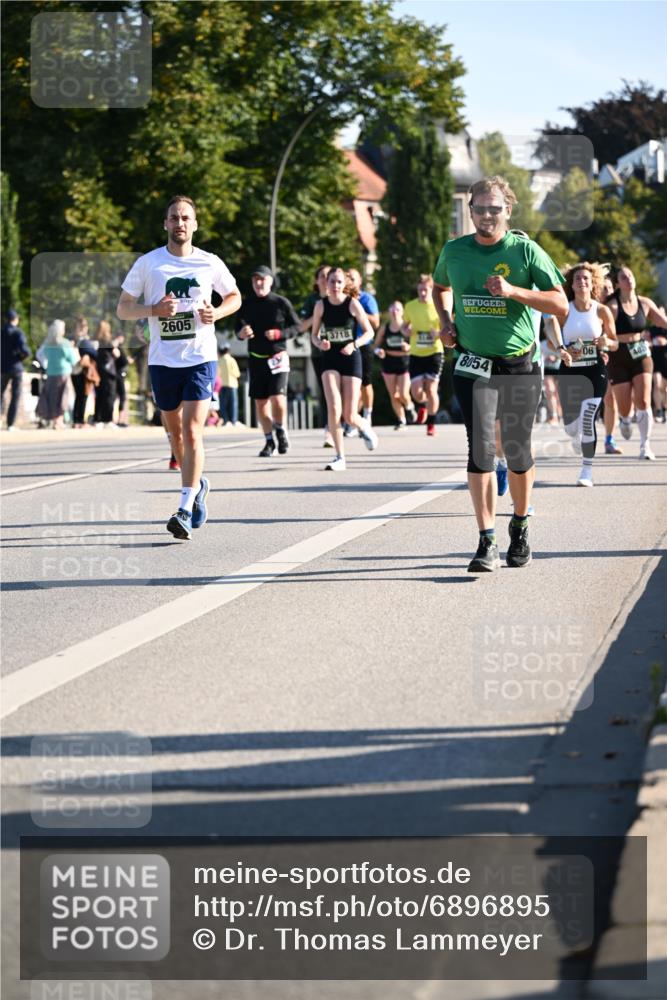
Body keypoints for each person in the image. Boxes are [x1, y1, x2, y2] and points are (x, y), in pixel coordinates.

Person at [433, 174, 568, 572]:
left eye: (495, 208)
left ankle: (521, 525)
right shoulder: (454, 251)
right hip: (472, 362)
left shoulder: (525, 251)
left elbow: (559, 304)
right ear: (470, 210)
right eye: (480, 208)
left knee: (517, 449)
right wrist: (446, 320)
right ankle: (485, 540)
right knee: (480, 449)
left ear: (508, 210)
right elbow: (441, 285)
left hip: (518, 363)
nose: (487, 215)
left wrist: (514, 292)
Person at [117, 194, 241, 540]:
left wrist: (217, 312)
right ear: (166, 224)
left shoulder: (209, 263)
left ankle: (184, 509)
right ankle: (198, 485)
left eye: (186, 217)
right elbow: (124, 308)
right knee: (174, 436)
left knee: (191, 432)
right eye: (174, 218)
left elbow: (235, 296)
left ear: (195, 224)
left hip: (199, 357)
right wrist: (153, 310)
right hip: (162, 361)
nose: (180, 223)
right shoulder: (148, 263)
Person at [548, 262, 617, 487]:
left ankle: (586, 470)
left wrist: (607, 342)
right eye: (578, 278)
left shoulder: (602, 310)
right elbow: (550, 333)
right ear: (572, 284)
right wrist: (561, 349)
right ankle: (575, 431)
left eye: (586, 278)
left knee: (588, 417)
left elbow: (614, 343)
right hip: (569, 370)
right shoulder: (565, 310)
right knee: (570, 427)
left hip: (595, 368)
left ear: (592, 282)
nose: (582, 282)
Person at [311, 267, 379, 471]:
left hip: (351, 357)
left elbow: (369, 332)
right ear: (326, 284)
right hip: (330, 359)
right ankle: (340, 457)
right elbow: (314, 335)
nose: (335, 286)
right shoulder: (320, 306)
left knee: (349, 415)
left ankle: (363, 426)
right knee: (334, 408)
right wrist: (319, 343)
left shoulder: (353, 304)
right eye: (332, 281)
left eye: (339, 282)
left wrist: (355, 344)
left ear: (344, 285)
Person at [235, 265, 301, 456]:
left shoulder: (281, 303)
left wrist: (280, 333)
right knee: (261, 405)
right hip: (256, 359)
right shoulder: (246, 304)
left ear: (270, 281)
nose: (258, 283)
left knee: (278, 400)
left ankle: (280, 430)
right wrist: (241, 333)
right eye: (255, 280)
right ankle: (269, 441)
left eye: (262, 279)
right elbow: (237, 328)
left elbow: (297, 326)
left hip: (278, 357)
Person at [606, 265, 667, 461]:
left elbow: (663, 321)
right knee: (624, 407)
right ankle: (624, 420)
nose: (629, 279)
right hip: (618, 355)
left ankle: (645, 445)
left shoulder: (645, 303)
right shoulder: (612, 307)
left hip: (641, 353)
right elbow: (600, 329)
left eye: (630, 276)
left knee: (643, 400)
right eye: (623, 277)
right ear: (618, 283)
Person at [403, 275, 444, 437]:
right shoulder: (410, 306)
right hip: (416, 353)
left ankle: (431, 423)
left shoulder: (438, 306)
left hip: (434, 352)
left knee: (432, 389)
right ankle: (422, 405)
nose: (423, 293)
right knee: (417, 392)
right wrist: (406, 331)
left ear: (431, 290)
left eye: (426, 290)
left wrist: (439, 333)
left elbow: (448, 328)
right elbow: (403, 327)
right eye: (420, 290)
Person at [299, 265, 333, 446]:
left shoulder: (339, 299)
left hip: (340, 351)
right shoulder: (311, 301)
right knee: (326, 392)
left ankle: (346, 422)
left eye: (329, 275)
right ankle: (329, 429)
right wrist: (317, 315)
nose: (326, 279)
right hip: (319, 352)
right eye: (322, 276)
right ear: (317, 280)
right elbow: (301, 327)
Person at [346, 268, 380, 428]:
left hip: (364, 344)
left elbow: (376, 322)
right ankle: (353, 419)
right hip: (347, 345)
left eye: (352, 278)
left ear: (359, 281)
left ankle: (367, 414)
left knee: (365, 383)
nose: (349, 281)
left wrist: (358, 310)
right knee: (351, 384)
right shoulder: (343, 299)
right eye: (347, 278)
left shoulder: (367, 299)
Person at [372, 300, 414, 429]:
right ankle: (401, 420)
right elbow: (375, 345)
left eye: (397, 309)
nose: (395, 312)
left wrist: (409, 347)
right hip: (388, 362)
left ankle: (409, 407)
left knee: (402, 393)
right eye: (392, 309)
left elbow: (418, 346)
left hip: (404, 363)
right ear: (389, 312)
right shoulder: (385, 327)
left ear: (402, 312)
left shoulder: (407, 327)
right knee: (393, 394)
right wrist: (379, 351)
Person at [35, 319, 80, 429]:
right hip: (63, 372)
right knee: (63, 397)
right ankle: (59, 420)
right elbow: (73, 359)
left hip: (51, 373)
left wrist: (46, 365)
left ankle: (55, 420)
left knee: (52, 397)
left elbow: (39, 356)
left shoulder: (47, 343)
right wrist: (74, 349)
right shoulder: (64, 343)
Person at [597, 274, 623, 454]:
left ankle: (609, 438)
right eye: (604, 288)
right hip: (596, 357)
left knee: (611, 399)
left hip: (618, 356)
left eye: (610, 288)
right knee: (604, 398)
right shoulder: (593, 309)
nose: (608, 291)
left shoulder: (617, 308)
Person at [1, 308, 30, 431]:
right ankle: (10, 423)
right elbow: (25, 351)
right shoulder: (18, 333)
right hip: (15, 367)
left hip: (2, 367)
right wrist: (20, 357)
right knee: (15, 395)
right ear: (15, 319)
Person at [93, 321, 121, 426]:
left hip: (98, 370)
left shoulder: (95, 340)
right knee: (110, 395)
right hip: (109, 371)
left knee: (99, 395)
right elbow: (116, 354)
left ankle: (97, 419)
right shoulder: (107, 341)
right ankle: (107, 419)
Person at [649, 307, 667, 423]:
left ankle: (664, 409)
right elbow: (646, 340)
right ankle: (659, 410)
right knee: (656, 385)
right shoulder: (652, 329)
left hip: (666, 359)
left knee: (664, 389)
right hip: (655, 358)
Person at [218, 345, 240, 425]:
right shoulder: (231, 360)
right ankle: (234, 421)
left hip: (222, 384)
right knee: (233, 404)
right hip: (232, 384)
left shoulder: (219, 360)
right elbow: (237, 373)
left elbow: (217, 374)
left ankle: (225, 420)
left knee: (223, 404)